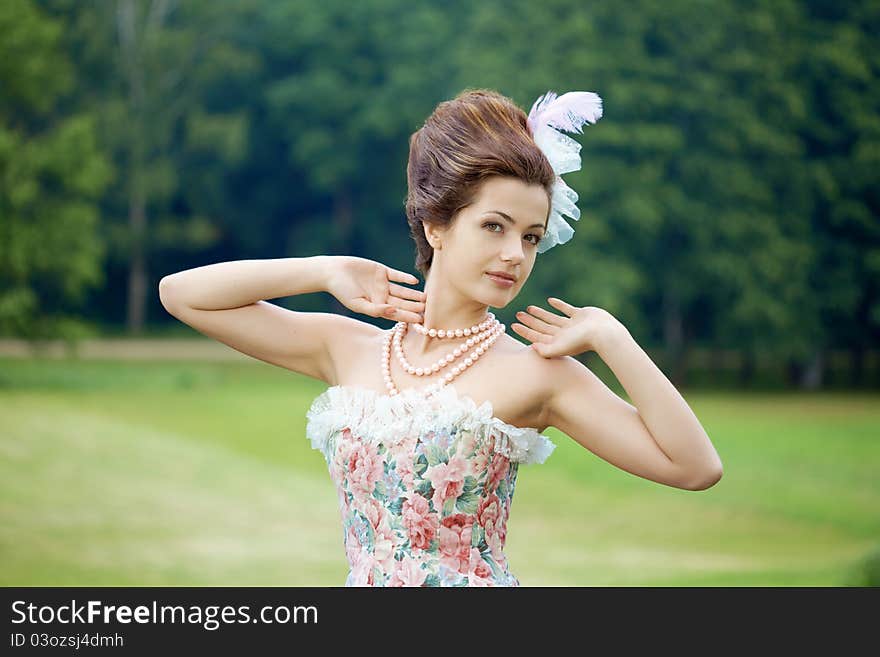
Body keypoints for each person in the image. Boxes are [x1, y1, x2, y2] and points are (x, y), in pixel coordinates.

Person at [159, 88, 723, 587]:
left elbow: (695, 468)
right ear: (437, 226)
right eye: (494, 226)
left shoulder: (537, 373)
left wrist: (612, 337)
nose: (514, 255)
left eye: (531, 237)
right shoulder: (349, 349)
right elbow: (181, 293)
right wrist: (323, 270)